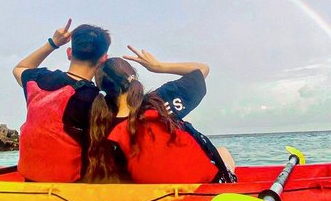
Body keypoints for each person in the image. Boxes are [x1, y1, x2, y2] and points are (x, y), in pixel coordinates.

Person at [85, 46, 236, 184]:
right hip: (202, 188)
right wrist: (158, 67)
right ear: (132, 77)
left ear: (103, 88)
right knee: (223, 152)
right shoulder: (159, 101)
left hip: (152, 196)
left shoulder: (103, 123)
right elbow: (203, 69)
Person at [12, 19, 111, 182]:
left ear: (69, 53)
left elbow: (19, 68)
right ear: (103, 59)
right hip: (71, 191)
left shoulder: (37, 79)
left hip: (30, 183)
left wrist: (53, 43)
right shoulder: (96, 99)